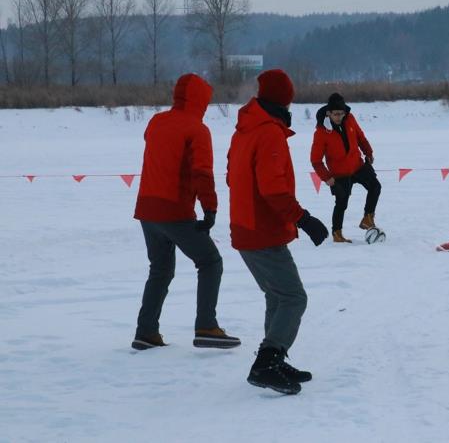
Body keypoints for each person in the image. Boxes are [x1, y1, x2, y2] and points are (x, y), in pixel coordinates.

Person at [228, 69, 329, 395]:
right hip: (262, 231)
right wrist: (304, 219)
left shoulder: (245, 129)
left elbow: (233, 178)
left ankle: (274, 357)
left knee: (277, 296)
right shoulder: (268, 132)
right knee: (293, 298)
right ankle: (267, 363)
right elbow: (272, 190)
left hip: (246, 229)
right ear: (284, 98)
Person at [132, 73, 240, 350]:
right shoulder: (197, 129)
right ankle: (206, 325)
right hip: (175, 210)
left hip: (147, 209)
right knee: (210, 262)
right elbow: (201, 173)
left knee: (160, 270)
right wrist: (210, 208)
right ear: (202, 100)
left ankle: (146, 332)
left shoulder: (156, 122)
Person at [311, 93, 381, 243]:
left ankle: (368, 218)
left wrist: (368, 152)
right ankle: (337, 234)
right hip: (339, 173)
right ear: (328, 113)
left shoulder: (350, 119)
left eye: (342, 113)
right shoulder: (321, 132)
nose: (339, 117)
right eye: (336, 114)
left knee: (375, 186)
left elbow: (360, 137)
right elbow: (315, 161)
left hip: (357, 166)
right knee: (341, 203)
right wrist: (327, 177)